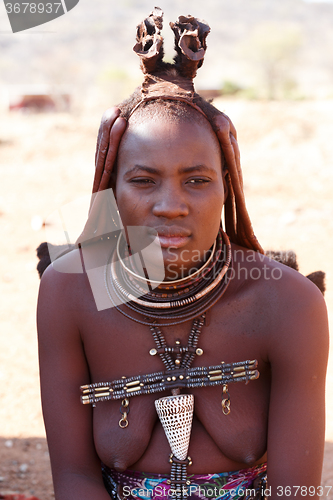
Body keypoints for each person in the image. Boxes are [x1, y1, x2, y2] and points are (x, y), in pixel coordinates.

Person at [37, 9, 329, 500]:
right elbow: (75, 478)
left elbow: (294, 491)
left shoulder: (288, 303)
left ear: (227, 188)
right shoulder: (71, 291)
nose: (171, 206)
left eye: (197, 180)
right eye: (143, 180)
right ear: (111, 187)